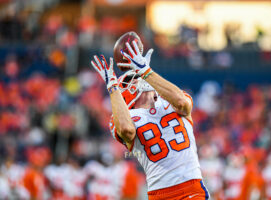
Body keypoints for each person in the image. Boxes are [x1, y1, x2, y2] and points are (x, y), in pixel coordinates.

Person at [90, 37, 209, 200]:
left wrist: (146, 71)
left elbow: (182, 103)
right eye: (132, 78)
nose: (137, 78)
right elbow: (126, 129)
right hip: (159, 193)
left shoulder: (169, 100)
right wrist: (113, 87)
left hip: (191, 188)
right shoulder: (127, 117)